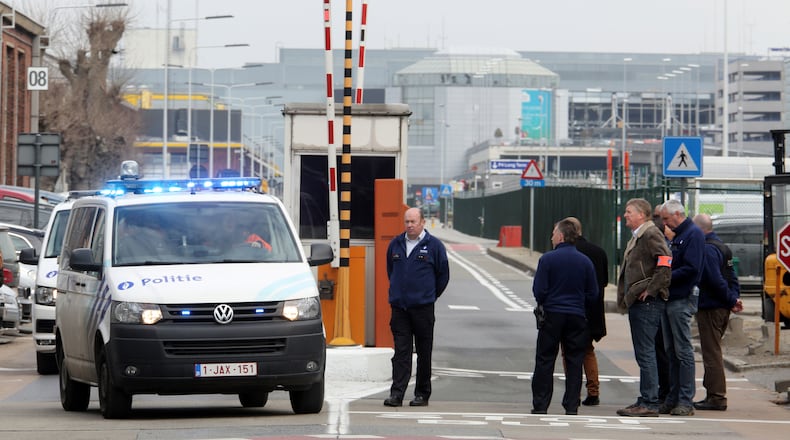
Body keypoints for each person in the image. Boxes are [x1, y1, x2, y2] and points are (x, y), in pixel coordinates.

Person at [384, 207, 450, 407]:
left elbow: (443, 276)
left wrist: (428, 296)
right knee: (401, 352)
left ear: (422, 222)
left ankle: (422, 394)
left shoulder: (434, 246)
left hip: (423, 309)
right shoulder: (395, 244)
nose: (410, 225)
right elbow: (391, 271)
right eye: (407, 222)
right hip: (400, 309)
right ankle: (397, 394)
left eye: (413, 221)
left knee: (423, 352)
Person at [531, 218, 597, 415]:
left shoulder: (547, 259)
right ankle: (571, 405)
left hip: (552, 314)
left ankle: (541, 404)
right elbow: (593, 293)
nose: (551, 237)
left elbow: (539, 290)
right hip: (576, 315)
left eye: (553, 233)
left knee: (545, 359)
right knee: (574, 359)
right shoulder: (585, 261)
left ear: (560, 236)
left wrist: (548, 300)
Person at [616, 198, 672, 417]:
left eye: (629, 212)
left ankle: (649, 402)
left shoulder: (649, 234)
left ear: (642, 214)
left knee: (646, 352)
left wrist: (652, 289)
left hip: (647, 303)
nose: (626, 215)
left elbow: (665, 260)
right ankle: (646, 398)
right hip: (639, 301)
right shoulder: (640, 234)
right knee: (644, 352)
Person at [692, 213, 744, 411]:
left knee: (711, 352)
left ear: (699, 230)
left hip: (711, 307)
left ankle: (716, 396)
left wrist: (731, 300)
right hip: (722, 306)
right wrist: (734, 298)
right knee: (713, 350)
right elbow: (732, 276)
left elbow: (714, 280)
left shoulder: (706, 249)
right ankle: (713, 394)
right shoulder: (723, 247)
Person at [659, 199, 705, 416]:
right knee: (671, 351)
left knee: (682, 350)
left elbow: (692, 268)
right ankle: (673, 397)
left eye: (667, 219)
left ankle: (685, 400)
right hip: (671, 297)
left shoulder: (692, 234)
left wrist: (665, 277)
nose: (665, 224)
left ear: (678, 214)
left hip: (681, 297)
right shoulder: (678, 235)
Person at [561, 217, 608, 407]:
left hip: (572, 309)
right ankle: (593, 391)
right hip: (594, 310)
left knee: (569, 352)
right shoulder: (598, 252)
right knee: (588, 351)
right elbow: (604, 281)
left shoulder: (567, 253)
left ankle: (573, 392)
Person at [652, 204, 671, 405]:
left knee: (663, 349)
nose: (658, 221)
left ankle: (665, 391)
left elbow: (665, 269)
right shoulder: (662, 239)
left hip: (663, 300)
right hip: (662, 300)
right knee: (660, 349)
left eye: (660, 216)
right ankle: (663, 389)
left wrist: (650, 290)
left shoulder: (662, 241)